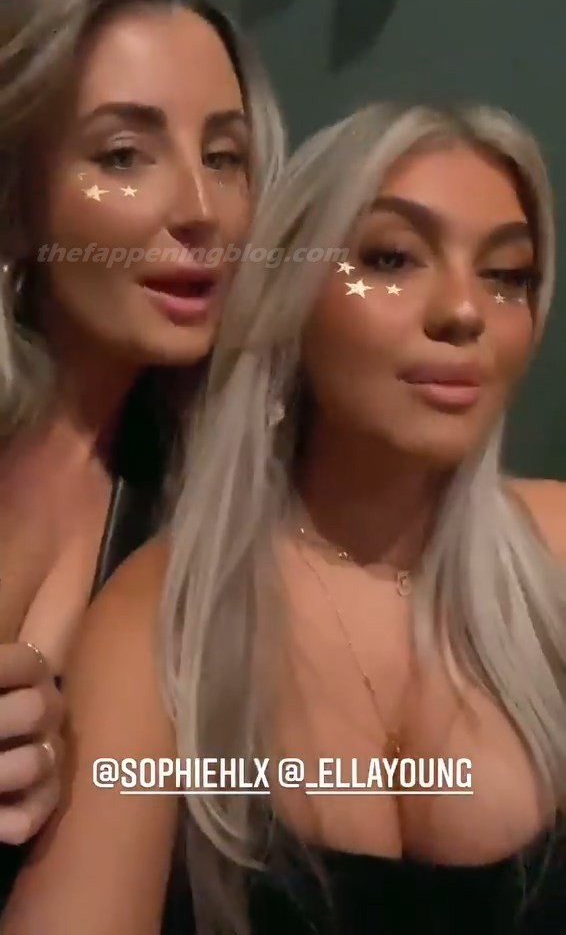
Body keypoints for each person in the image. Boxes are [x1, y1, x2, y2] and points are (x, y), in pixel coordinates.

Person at [4, 101, 566, 935]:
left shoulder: (557, 553)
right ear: (291, 296)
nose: (464, 311)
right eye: (391, 258)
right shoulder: (169, 619)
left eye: (507, 274)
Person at [0, 0, 283, 893]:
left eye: (225, 158)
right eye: (124, 155)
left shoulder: (198, 511)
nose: (201, 211)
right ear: (14, 203)